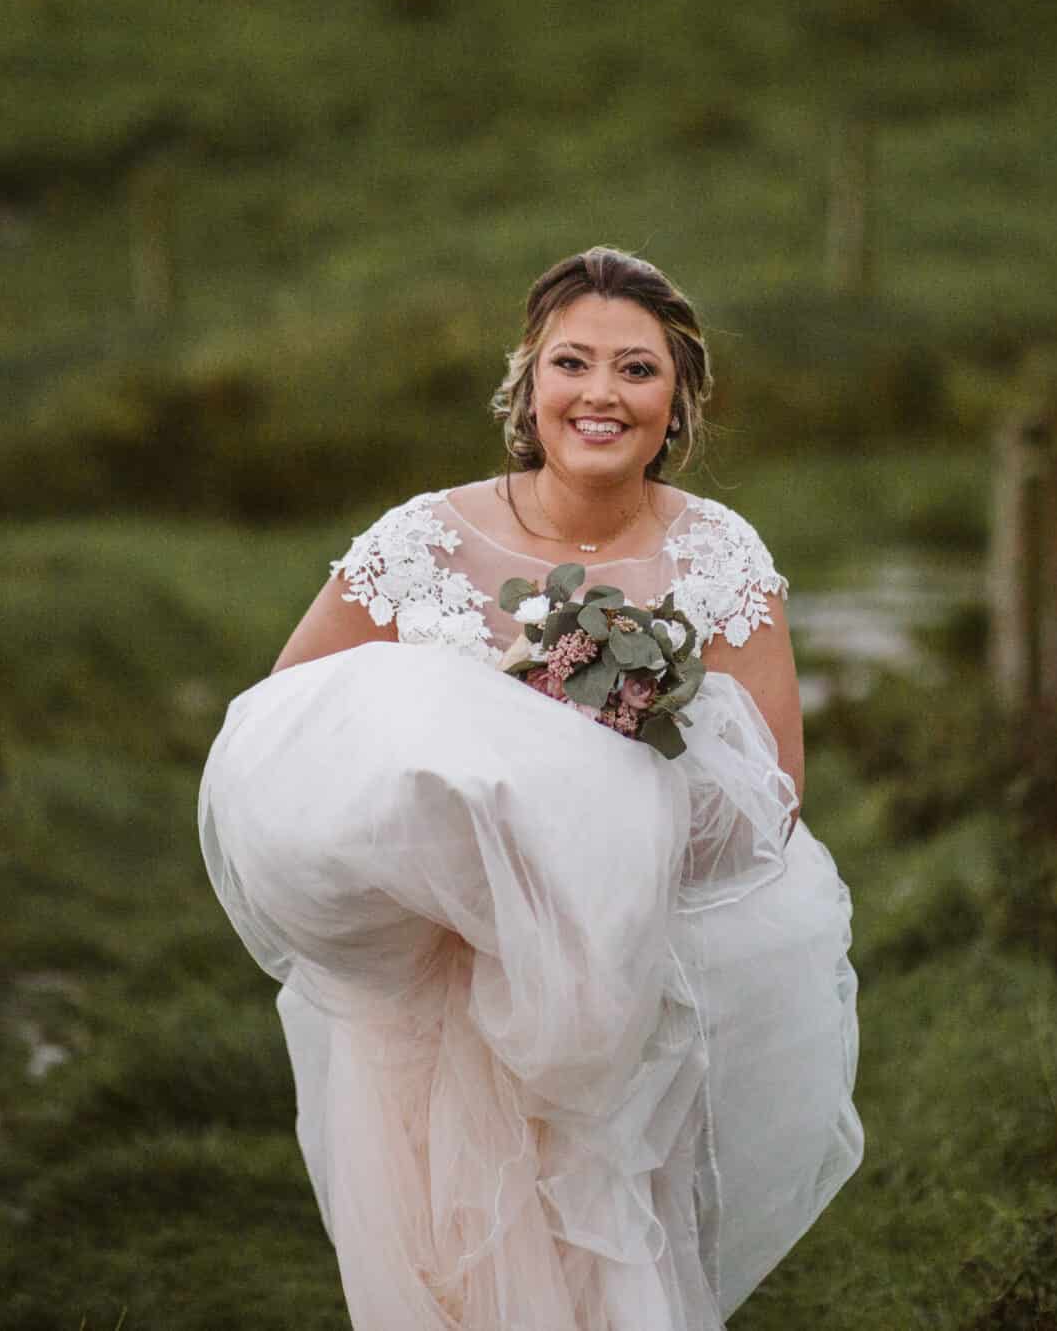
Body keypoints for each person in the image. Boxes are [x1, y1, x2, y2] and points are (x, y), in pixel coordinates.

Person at [199, 247, 863, 1329]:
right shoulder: (419, 542)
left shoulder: (722, 558)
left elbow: (772, 800)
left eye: (637, 371)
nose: (602, 394)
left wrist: (618, 787)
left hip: (620, 994)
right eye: (574, 362)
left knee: (606, 1264)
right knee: (448, 1275)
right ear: (529, 385)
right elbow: (293, 732)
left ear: (679, 401)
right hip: (432, 997)